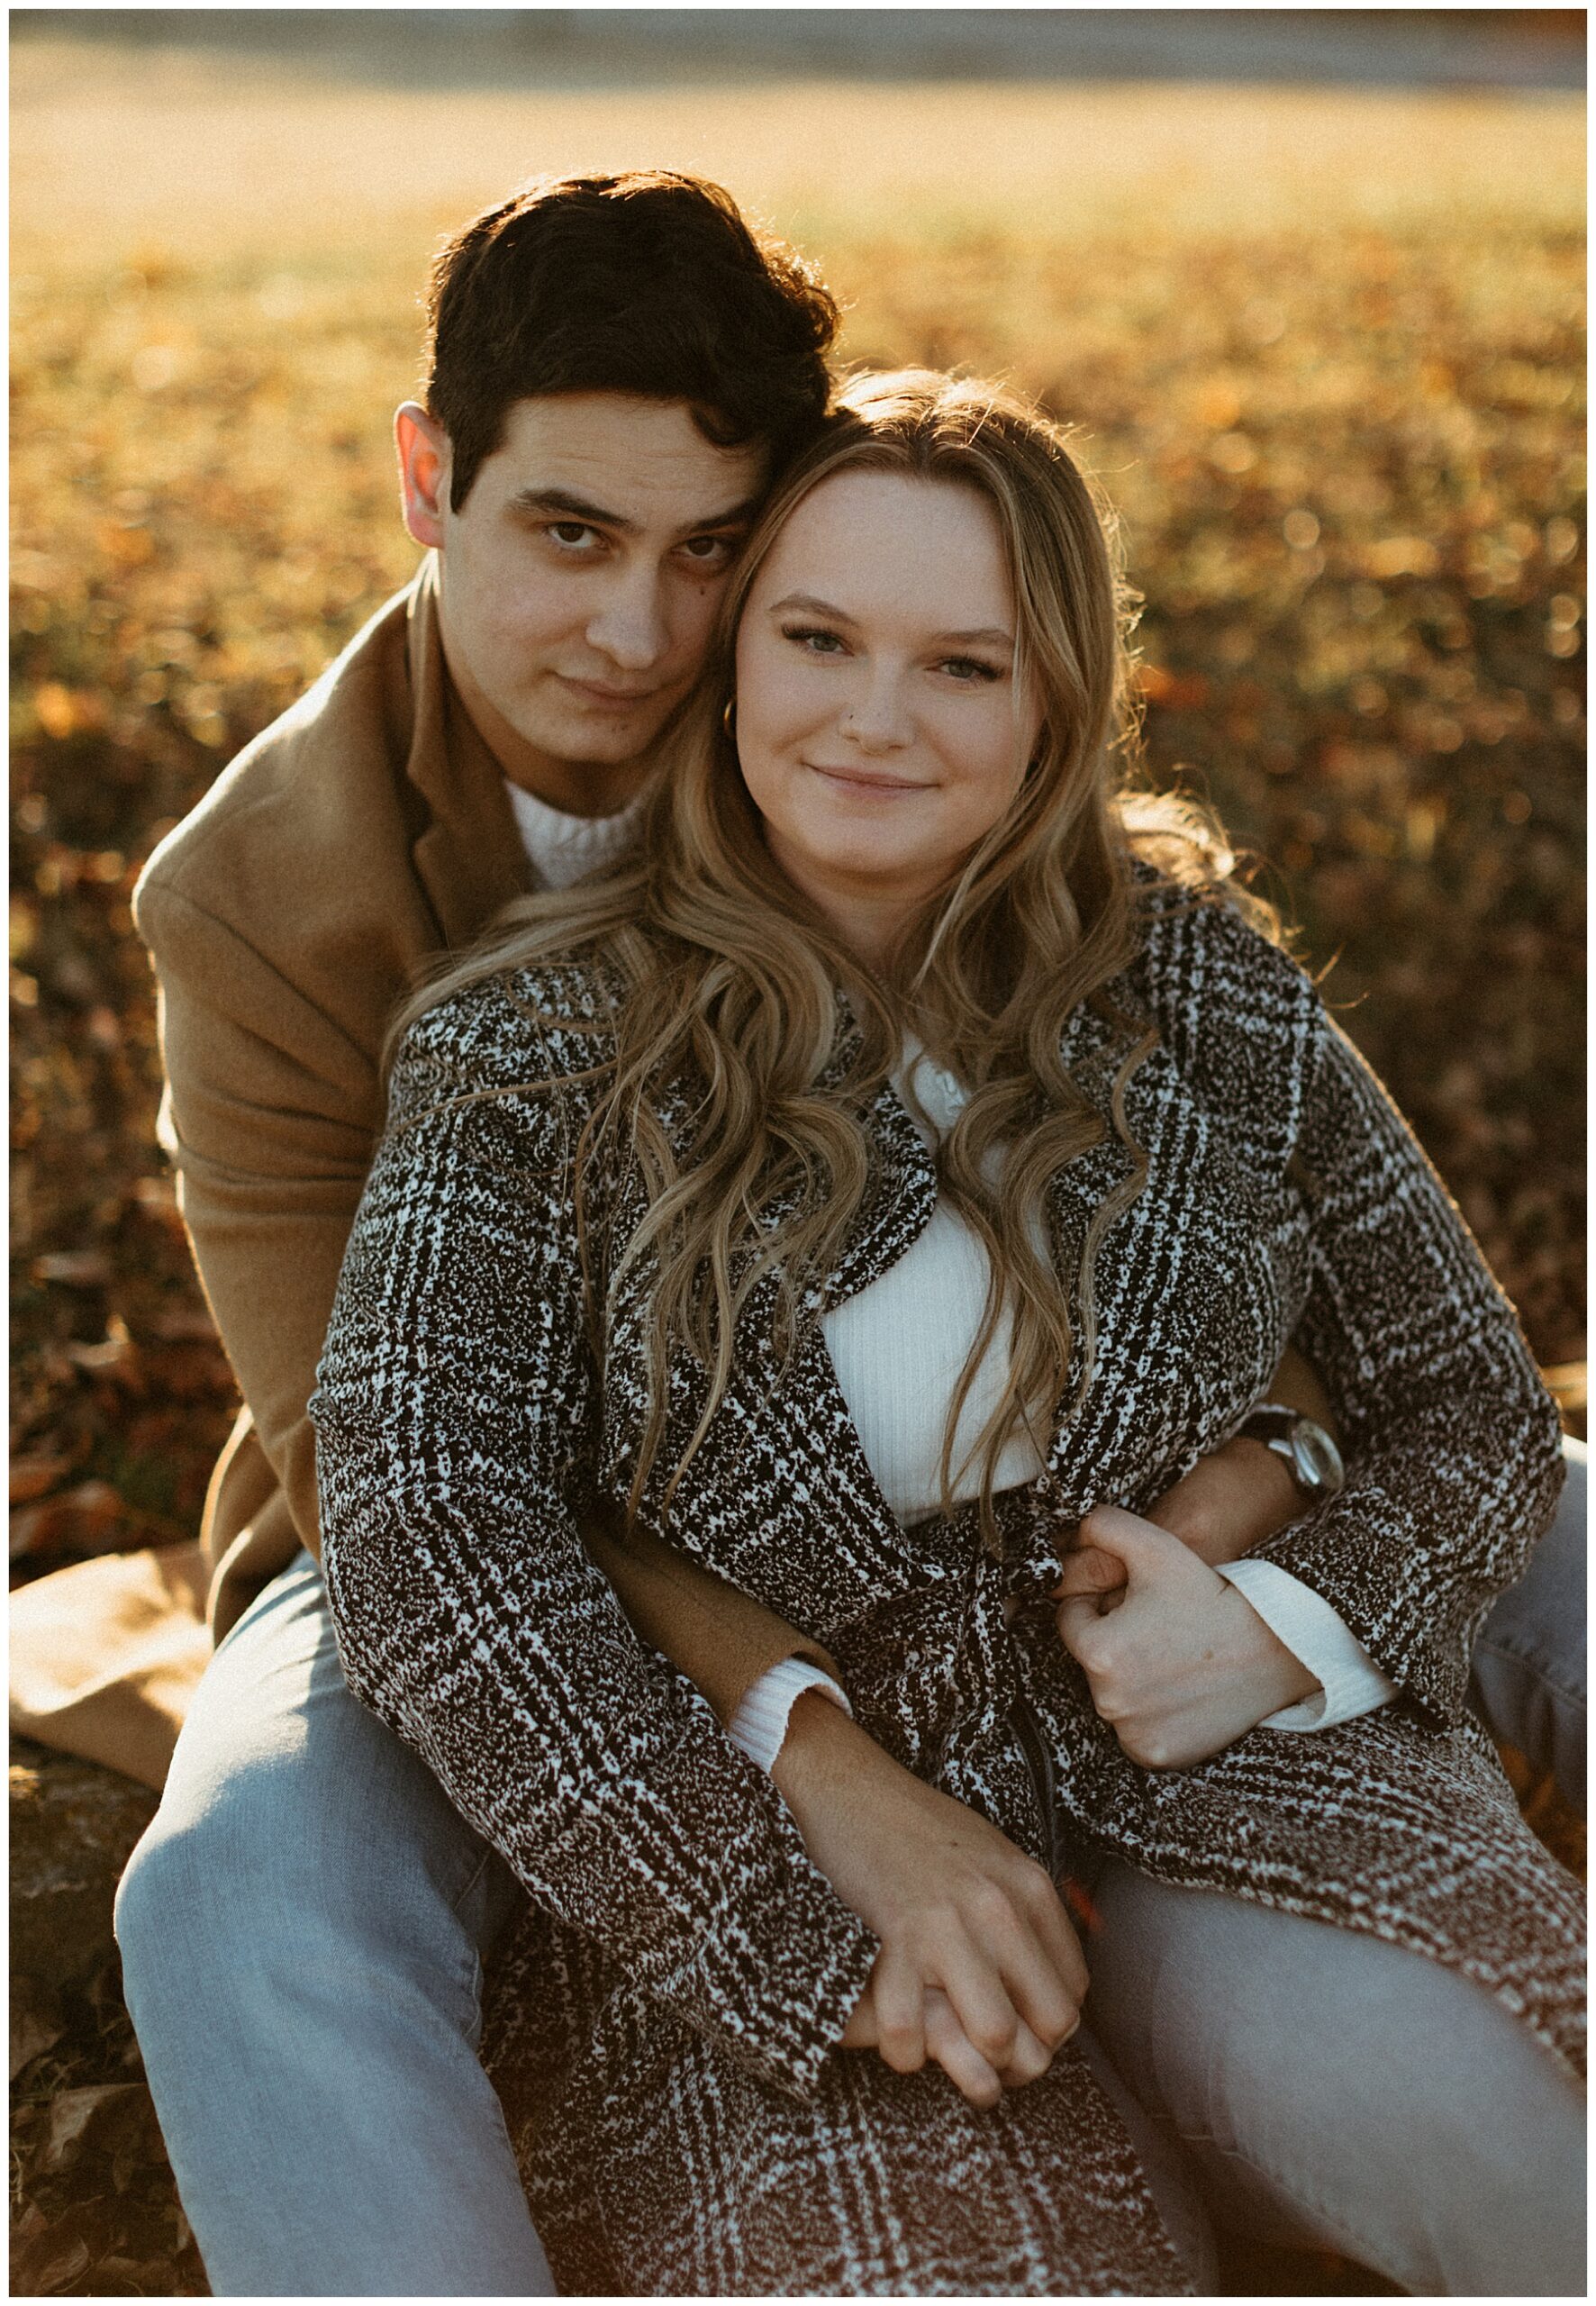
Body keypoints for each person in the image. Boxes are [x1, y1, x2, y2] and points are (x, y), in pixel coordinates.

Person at [8, 168, 1557, 2292]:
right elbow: (420, 1481)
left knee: (1552, 1499)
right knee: (238, 1881)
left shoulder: (1067, 873)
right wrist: (817, 1759)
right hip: (521, 1533)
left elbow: (1300, 1307)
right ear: (427, 477)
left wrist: (1266, 1501)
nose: (641, 635)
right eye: (568, 534)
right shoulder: (285, 904)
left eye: (715, 558)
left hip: (1096, 1548)